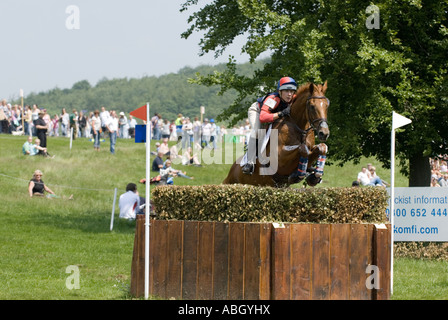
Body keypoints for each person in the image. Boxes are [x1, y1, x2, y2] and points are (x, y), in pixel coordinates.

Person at [242, 76, 297, 175]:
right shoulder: (274, 99)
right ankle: (249, 163)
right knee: (258, 132)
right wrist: (280, 114)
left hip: (271, 115)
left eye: (292, 91)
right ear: (280, 92)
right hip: (258, 111)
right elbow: (263, 118)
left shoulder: (293, 98)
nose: (289, 94)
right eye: (286, 91)